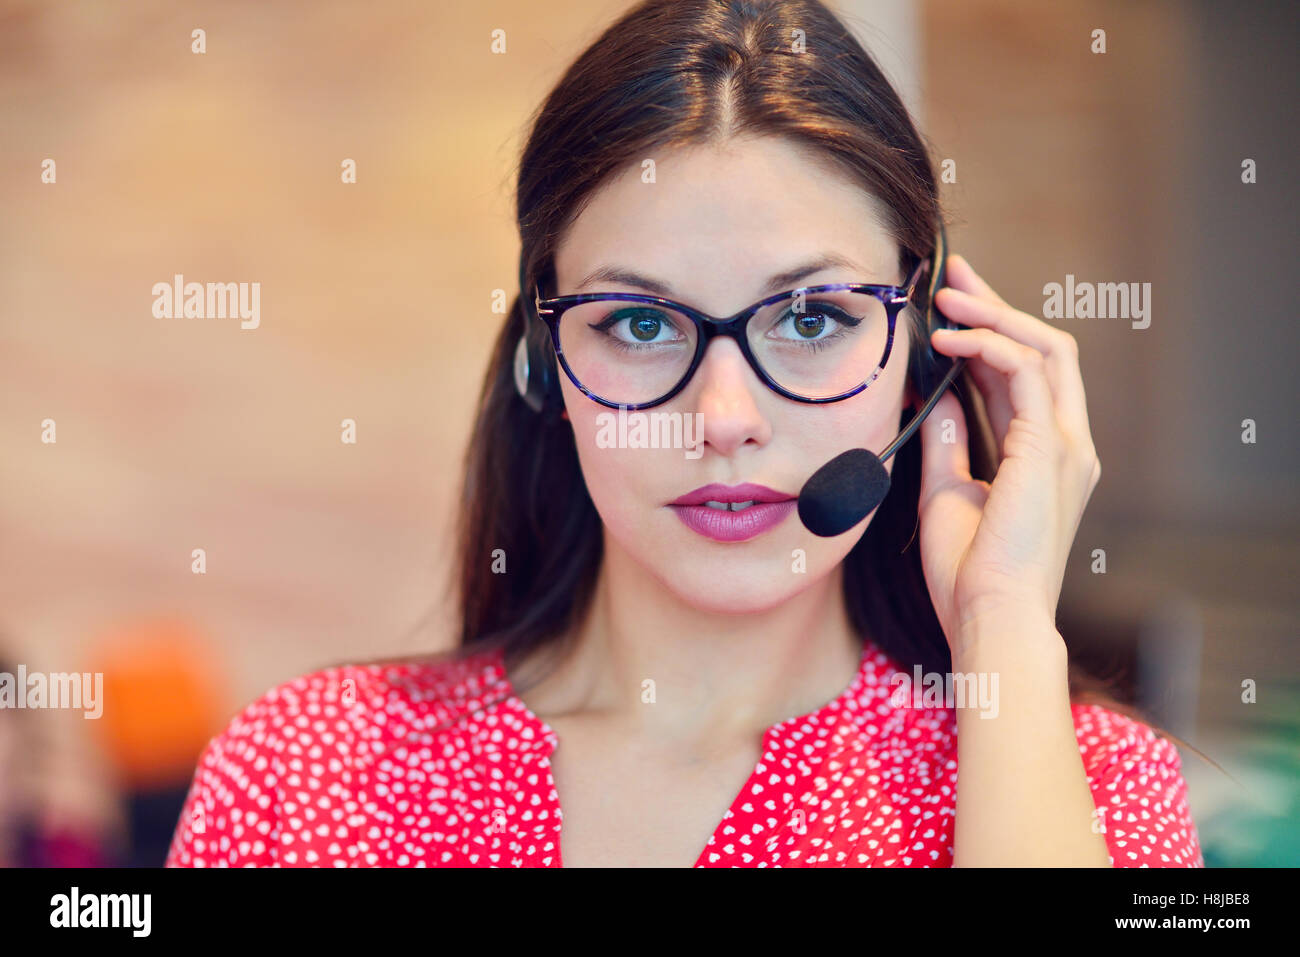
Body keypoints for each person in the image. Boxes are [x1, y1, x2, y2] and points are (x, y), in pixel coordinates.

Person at [165, 0, 1202, 867]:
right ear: (546, 357)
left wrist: (1006, 634)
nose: (723, 423)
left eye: (810, 319)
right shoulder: (307, 773)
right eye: (641, 323)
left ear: (923, 351)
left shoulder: (1093, 789)